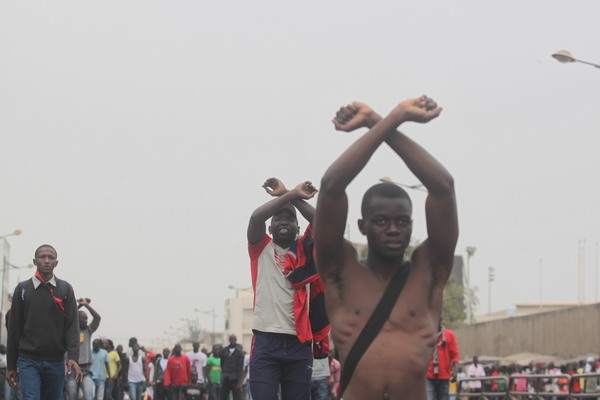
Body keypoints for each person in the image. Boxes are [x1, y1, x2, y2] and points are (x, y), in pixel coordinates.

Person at [313, 96, 457, 400]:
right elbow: (330, 187)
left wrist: (383, 119)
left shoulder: (430, 272)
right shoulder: (340, 270)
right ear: (363, 227)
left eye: (402, 222)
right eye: (381, 221)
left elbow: (443, 187)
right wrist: (391, 117)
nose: (393, 229)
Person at [247, 178, 330, 400]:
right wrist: (289, 195)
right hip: (266, 343)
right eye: (278, 219)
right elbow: (255, 217)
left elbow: (323, 223)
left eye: (290, 218)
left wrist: (293, 195)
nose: (284, 222)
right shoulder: (260, 248)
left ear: (298, 228)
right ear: (270, 227)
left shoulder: (307, 251)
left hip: (299, 344)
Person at [6, 244, 83, 400]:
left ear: (56, 262)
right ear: (35, 261)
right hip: (28, 361)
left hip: (55, 362)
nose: (46, 261)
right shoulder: (22, 290)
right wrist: (11, 365)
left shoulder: (65, 289)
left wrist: (73, 357)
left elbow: (72, 327)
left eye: (51, 257)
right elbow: (14, 330)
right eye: (42, 257)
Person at [65, 297, 101, 400]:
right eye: (84, 318)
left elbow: (97, 318)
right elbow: (68, 315)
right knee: (72, 397)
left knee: (88, 395)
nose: (86, 321)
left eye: (87, 319)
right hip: (71, 371)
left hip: (85, 371)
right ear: (77, 318)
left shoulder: (88, 331)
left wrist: (86, 305)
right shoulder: (69, 330)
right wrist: (79, 305)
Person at [426, 324, 460, 400]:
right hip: (429, 376)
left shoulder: (449, 335)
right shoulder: (426, 335)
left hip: (444, 376)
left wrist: (455, 372)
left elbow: (455, 355)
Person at [218, 335, 244, 400]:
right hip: (226, 377)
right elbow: (221, 363)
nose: (232, 340)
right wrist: (223, 374)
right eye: (231, 339)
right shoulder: (224, 351)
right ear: (229, 340)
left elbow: (240, 368)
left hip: (235, 379)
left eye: (234, 339)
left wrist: (239, 382)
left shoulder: (240, 353)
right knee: (223, 396)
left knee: (236, 397)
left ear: (236, 340)